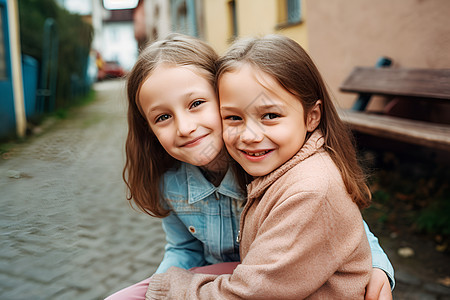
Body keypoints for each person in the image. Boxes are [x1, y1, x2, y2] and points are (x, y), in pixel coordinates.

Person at [106, 34, 394, 299]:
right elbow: (184, 248)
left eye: (196, 103)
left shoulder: (260, 160)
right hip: (222, 283)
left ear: (223, 96)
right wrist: (163, 286)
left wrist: (378, 264)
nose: (185, 127)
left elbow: (333, 219)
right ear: (148, 128)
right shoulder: (170, 181)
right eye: (163, 117)